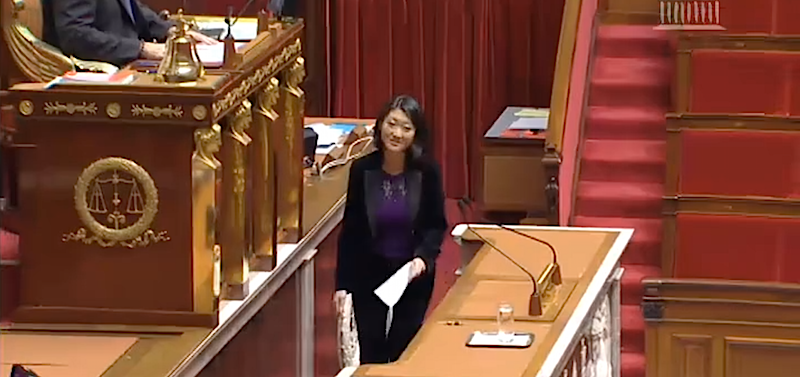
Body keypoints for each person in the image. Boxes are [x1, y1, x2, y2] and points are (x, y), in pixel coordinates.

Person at [333, 95, 448, 364]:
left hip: (411, 274)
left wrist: (423, 258)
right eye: (392, 124)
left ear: (416, 134)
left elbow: (435, 224)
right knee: (371, 353)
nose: (397, 133)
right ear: (380, 125)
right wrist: (342, 285)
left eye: (406, 128)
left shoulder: (427, 171)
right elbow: (351, 230)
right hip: (368, 273)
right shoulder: (362, 170)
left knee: (402, 352)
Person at [45, 0, 217, 67]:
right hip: (102, 74)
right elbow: (75, 35)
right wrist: (142, 49)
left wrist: (170, 30)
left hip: (130, 62)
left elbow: (132, 8)